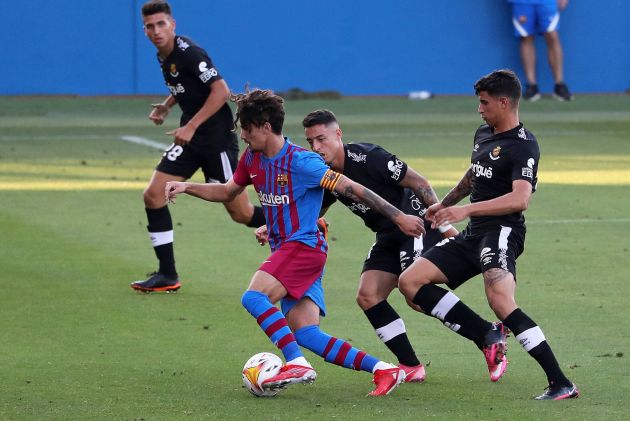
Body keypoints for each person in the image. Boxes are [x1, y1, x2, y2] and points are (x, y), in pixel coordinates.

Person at [164, 89, 427, 396]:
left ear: (264, 126)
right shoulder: (252, 158)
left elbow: (351, 187)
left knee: (254, 297)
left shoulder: (303, 162)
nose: (243, 137)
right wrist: (185, 186)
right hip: (292, 250)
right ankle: (385, 370)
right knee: (306, 333)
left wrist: (398, 217)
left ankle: (297, 363)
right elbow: (226, 192)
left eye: (247, 130)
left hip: (303, 248)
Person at [398, 69, 579, 400]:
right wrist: (444, 204)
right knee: (410, 282)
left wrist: (465, 210)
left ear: (505, 102)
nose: (480, 109)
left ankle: (561, 382)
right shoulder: (484, 133)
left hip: (502, 232)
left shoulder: (524, 146)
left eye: (484, 103)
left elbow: (520, 198)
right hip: (473, 233)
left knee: (501, 301)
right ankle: (487, 334)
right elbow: (474, 176)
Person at [302, 109, 510, 384]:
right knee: (368, 295)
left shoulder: (369, 157)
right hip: (387, 235)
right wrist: (274, 227)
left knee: (413, 292)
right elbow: (315, 211)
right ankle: (411, 365)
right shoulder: (327, 174)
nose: (316, 148)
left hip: (415, 226)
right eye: (311, 142)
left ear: (338, 134)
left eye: (321, 139)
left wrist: (442, 221)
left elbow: (419, 182)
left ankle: (487, 334)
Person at [132, 1, 265, 292]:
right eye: (150, 26)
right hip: (190, 141)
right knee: (154, 195)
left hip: (216, 141)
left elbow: (221, 90)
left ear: (173, 24)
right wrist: (168, 106)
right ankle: (167, 275)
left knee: (241, 214)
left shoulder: (189, 53)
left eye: (161, 24)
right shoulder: (164, 56)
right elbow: (185, 87)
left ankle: (304, 221)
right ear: (145, 30)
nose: (156, 31)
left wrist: (191, 126)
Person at [508, 0, 573, 101]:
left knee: (552, 36)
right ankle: (531, 86)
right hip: (522, 2)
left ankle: (559, 85)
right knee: (526, 37)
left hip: (547, 2)